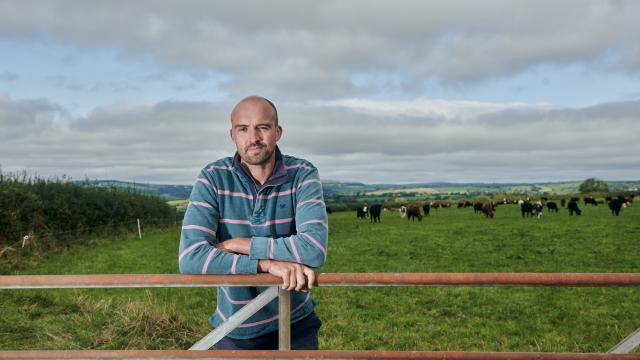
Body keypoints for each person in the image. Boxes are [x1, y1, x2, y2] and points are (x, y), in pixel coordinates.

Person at [178, 96, 328, 350]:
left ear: (277, 132)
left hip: (296, 322)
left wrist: (238, 244)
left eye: (263, 127)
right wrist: (267, 263)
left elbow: (313, 248)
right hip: (236, 327)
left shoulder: (303, 173)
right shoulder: (213, 178)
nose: (253, 137)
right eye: (243, 129)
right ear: (232, 135)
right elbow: (190, 257)